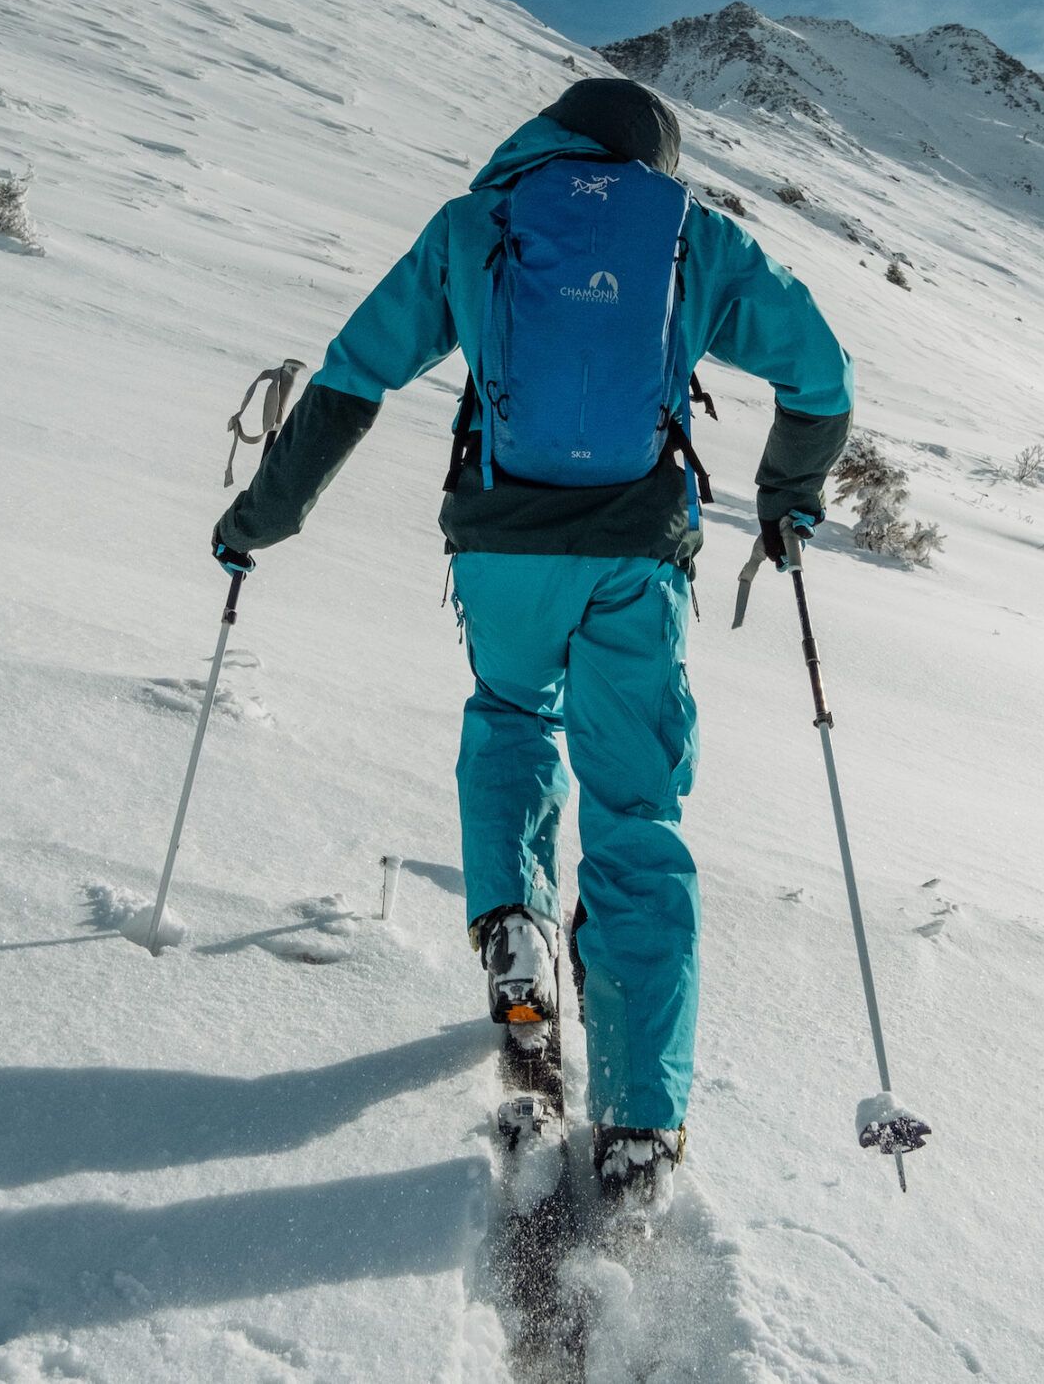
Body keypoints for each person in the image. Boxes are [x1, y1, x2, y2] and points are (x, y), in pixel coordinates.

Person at [211, 77, 851, 1208]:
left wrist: (262, 515)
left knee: (512, 714)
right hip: (635, 560)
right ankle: (643, 1122)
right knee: (637, 816)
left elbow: (356, 375)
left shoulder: (476, 223)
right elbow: (820, 375)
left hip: (501, 550)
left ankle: (514, 924)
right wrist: (785, 500)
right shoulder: (693, 238)